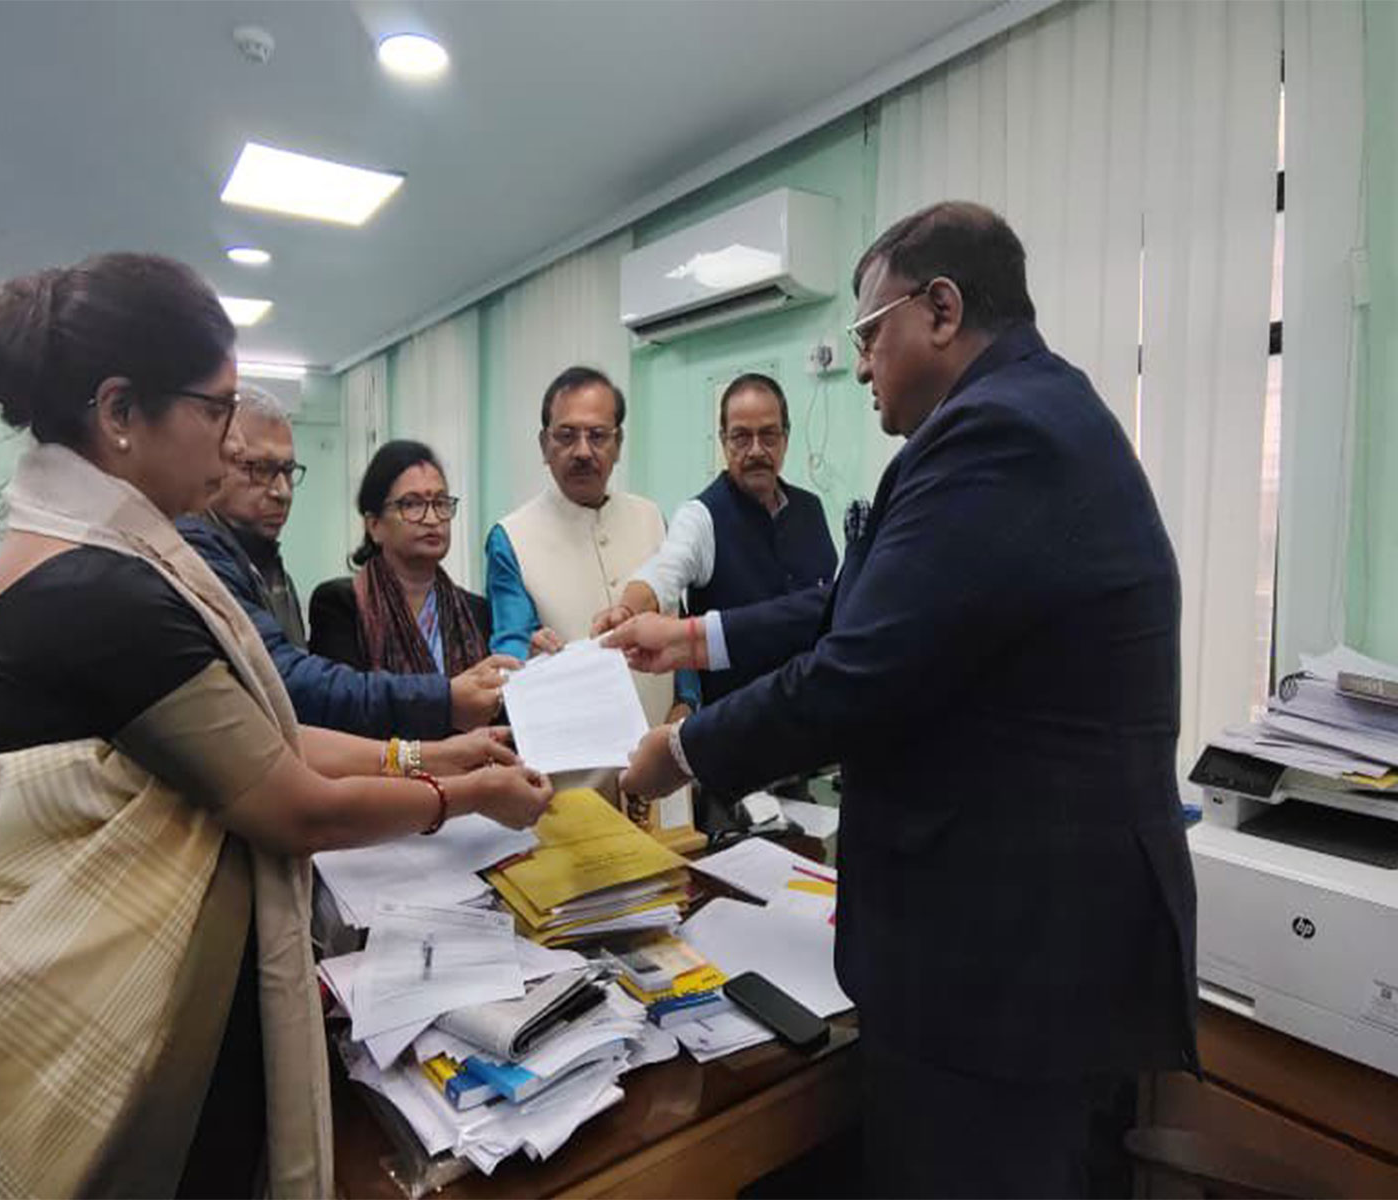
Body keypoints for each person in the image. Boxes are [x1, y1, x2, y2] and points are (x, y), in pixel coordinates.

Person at [0, 253, 552, 1199]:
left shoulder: (106, 558)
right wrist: (462, 792)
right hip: (114, 1017)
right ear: (119, 414)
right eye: (215, 408)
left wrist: (430, 751)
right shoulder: (104, 589)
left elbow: (263, 729)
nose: (234, 442)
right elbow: (291, 804)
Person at [610, 202, 1197, 1197]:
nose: (861, 359)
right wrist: (693, 636)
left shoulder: (999, 436)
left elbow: (854, 672)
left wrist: (680, 750)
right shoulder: (1021, 415)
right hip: (1005, 936)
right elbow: (850, 607)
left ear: (939, 308)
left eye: (864, 333)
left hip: (1005, 962)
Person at [180, 392, 507, 737]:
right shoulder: (199, 554)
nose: (282, 491)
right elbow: (294, 687)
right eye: (259, 469)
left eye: (288, 471)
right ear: (374, 523)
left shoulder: (271, 571)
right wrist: (444, 703)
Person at [590, 373, 837, 705]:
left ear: (786, 438)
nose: (756, 450)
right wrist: (626, 609)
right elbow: (664, 570)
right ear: (723, 441)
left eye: (768, 435)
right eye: (740, 437)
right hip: (737, 731)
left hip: (816, 715)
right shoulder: (701, 515)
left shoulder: (811, 509)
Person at [484, 365, 695, 726]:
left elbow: (677, 619)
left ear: (618, 445)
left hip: (665, 752)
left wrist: (687, 702)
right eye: (566, 436)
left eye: (598, 436)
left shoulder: (650, 517)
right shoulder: (511, 537)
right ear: (543, 445)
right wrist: (530, 657)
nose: (582, 451)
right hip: (570, 764)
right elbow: (511, 652)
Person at [309, 440, 493, 680]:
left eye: (440, 503)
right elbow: (343, 704)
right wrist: (449, 700)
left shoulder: (476, 612)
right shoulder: (340, 604)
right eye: (412, 504)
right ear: (374, 525)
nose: (431, 518)